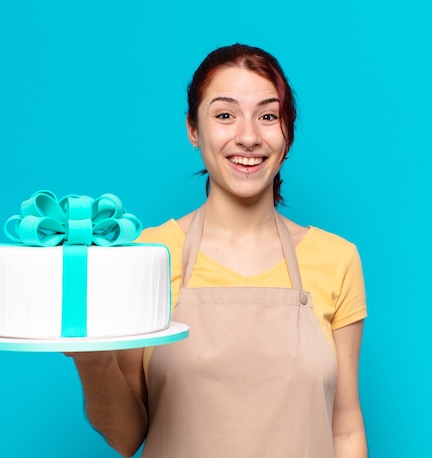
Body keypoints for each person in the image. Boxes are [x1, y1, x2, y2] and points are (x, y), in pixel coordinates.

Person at [68, 43, 368, 458]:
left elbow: (346, 426)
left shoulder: (337, 260)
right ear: (193, 129)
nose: (248, 137)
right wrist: (89, 357)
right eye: (225, 115)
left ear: (287, 134)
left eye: (268, 116)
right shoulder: (147, 255)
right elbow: (126, 436)